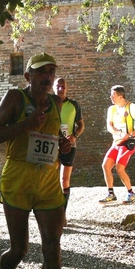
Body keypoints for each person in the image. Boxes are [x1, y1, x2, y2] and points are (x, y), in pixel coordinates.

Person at [0, 52, 71, 269]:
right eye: (41, 71)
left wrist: (63, 143)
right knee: (19, 250)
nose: (47, 76)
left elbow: (53, 134)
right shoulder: (15, 97)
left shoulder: (56, 102)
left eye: (51, 71)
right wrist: (26, 124)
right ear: (28, 75)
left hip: (48, 182)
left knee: (52, 247)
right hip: (18, 181)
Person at [99, 85, 135, 204]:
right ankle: (110, 193)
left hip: (128, 142)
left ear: (121, 96)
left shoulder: (132, 107)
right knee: (105, 165)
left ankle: (131, 193)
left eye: (113, 95)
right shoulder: (112, 109)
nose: (111, 97)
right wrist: (119, 133)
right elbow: (109, 126)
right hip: (117, 142)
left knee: (119, 168)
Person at [53, 77, 85, 223]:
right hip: (51, 145)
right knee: (49, 180)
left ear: (67, 88)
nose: (60, 89)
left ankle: (62, 214)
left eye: (63, 87)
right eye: (58, 86)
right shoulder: (48, 103)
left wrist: (75, 135)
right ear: (54, 87)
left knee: (64, 180)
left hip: (69, 145)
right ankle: (49, 214)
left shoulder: (73, 105)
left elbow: (81, 125)